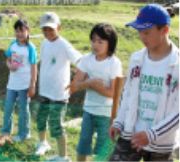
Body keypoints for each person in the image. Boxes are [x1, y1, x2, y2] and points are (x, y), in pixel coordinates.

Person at [109, 4, 179, 161]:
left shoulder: (178, 65)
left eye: (147, 32)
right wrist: (119, 121)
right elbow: (127, 94)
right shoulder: (136, 59)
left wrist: (152, 134)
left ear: (165, 30)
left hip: (161, 142)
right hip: (131, 133)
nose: (142, 37)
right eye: (139, 31)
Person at [68, 23, 122, 161]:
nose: (95, 45)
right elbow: (74, 86)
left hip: (106, 114)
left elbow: (113, 93)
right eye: (93, 40)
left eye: (100, 41)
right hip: (89, 110)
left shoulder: (114, 63)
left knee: (102, 149)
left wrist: (88, 85)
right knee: (83, 144)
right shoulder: (87, 60)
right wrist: (90, 83)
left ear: (110, 43)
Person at [35, 12, 82, 161]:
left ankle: (63, 156)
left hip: (59, 93)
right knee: (41, 118)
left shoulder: (64, 45)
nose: (47, 32)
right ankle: (43, 143)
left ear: (58, 27)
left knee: (56, 125)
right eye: (45, 29)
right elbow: (43, 62)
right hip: (45, 90)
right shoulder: (44, 43)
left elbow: (80, 61)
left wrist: (76, 81)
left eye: (51, 29)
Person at [0, 19, 38, 142]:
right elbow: (8, 58)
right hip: (12, 84)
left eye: (22, 31)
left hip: (24, 85)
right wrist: (9, 65)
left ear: (28, 31)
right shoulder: (13, 44)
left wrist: (32, 84)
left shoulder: (31, 48)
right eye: (17, 31)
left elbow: (34, 67)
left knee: (23, 110)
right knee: (8, 107)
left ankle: (24, 134)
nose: (19, 34)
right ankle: (5, 132)